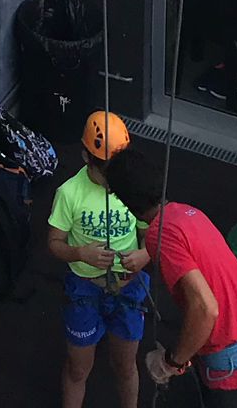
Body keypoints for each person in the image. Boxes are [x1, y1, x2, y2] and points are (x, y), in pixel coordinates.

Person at [104, 147, 237, 404]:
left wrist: (171, 362)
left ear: (125, 201)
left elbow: (206, 308)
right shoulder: (185, 213)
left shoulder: (159, 235)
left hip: (233, 379)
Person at [47, 112, 150, 408]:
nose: (111, 179)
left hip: (128, 287)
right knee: (78, 368)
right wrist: (80, 253)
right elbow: (53, 243)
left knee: (126, 366)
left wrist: (144, 255)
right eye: (104, 169)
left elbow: (149, 232)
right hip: (85, 287)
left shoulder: (132, 185)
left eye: (115, 168)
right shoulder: (69, 193)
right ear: (86, 157)